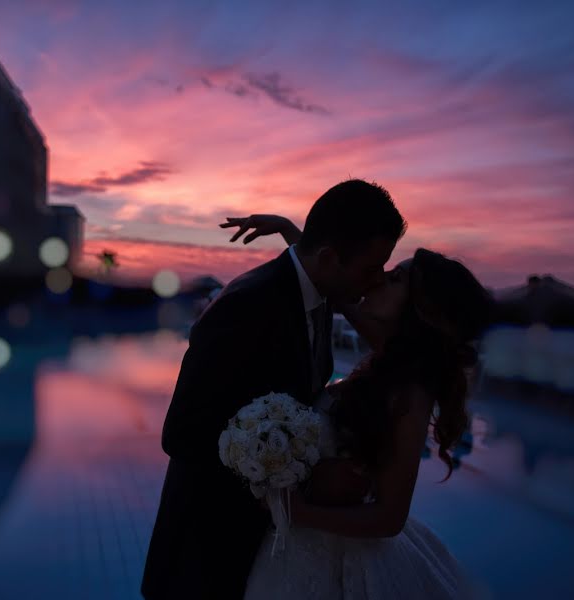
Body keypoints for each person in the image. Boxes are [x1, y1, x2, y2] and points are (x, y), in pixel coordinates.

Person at [141, 180, 407, 600]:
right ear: (329, 258)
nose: (375, 283)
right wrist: (289, 466)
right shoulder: (246, 305)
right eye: (370, 269)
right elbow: (182, 432)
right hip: (207, 549)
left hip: (265, 550)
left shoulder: (319, 295)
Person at [223, 214, 492, 599]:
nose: (379, 278)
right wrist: (293, 235)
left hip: (338, 562)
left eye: (396, 277)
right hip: (298, 552)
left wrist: (295, 512)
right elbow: (331, 278)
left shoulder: (411, 393)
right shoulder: (391, 353)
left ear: (421, 309)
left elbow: (390, 518)